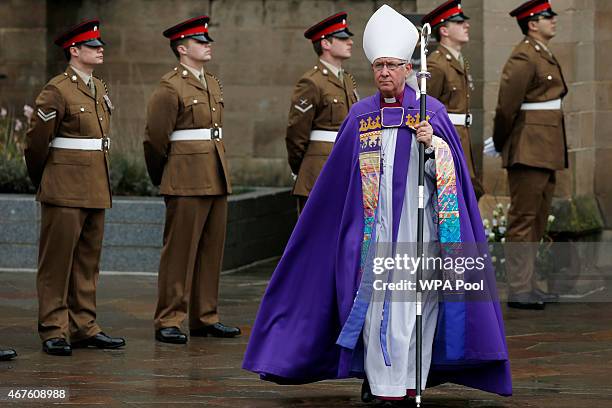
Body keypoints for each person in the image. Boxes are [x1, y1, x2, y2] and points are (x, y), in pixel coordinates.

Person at [244, 4, 511, 404]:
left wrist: (432, 145)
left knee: (418, 306)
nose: (384, 73)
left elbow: (451, 173)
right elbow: (338, 183)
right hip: (374, 232)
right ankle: (380, 381)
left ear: (408, 68)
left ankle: (409, 380)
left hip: (418, 232)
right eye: (378, 66)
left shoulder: (429, 112)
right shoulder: (360, 115)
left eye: (391, 65)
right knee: (373, 307)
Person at [24, 19, 125, 356]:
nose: (100, 50)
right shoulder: (57, 89)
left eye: (100, 46)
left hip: (96, 185)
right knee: (56, 263)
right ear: (74, 51)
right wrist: (45, 178)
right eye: (93, 47)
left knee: (87, 262)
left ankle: (84, 326)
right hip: (64, 187)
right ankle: (54, 328)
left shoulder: (100, 88)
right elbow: (36, 143)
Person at [144, 16, 240, 344]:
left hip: (215, 174)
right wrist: (165, 175)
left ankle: (205, 316)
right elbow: (155, 139)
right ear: (183, 49)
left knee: (211, 251)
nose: (207, 45)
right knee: (179, 253)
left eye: (207, 41)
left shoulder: (212, 83)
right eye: (200, 42)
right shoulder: (171, 86)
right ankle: (169, 318)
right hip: (184, 178)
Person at [492, 0, 567, 310]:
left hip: (546, 146)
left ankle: (531, 284)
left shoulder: (542, 53)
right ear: (532, 23)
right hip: (528, 147)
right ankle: (520, 288)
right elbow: (506, 106)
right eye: (547, 16)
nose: (554, 20)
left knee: (537, 219)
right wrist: (501, 142)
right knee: (523, 219)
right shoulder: (524, 55)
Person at [286, 12, 359, 213]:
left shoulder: (347, 81)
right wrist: (301, 168)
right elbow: (296, 132)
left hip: (346, 165)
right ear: (326, 44)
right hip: (319, 169)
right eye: (343, 38)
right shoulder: (312, 81)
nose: (350, 42)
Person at [422, 0, 484, 200]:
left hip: (460, 137)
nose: (466, 25)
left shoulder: (457, 61)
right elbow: (426, 110)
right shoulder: (437, 65)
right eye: (458, 22)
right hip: (446, 140)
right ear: (444, 31)